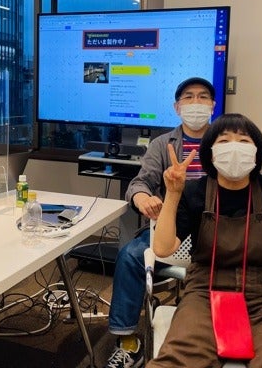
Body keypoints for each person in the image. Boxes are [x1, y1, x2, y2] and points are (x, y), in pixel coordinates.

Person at [148, 113, 262, 368]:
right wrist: (173, 194)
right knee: (180, 357)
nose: (234, 148)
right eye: (224, 141)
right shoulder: (195, 191)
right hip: (204, 292)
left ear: (256, 153)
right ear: (211, 153)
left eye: (244, 141)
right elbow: (162, 248)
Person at [104, 77, 216, 368]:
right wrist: (142, 198)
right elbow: (140, 182)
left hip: (217, 230)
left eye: (203, 97)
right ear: (177, 107)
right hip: (172, 228)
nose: (196, 103)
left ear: (213, 105)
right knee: (131, 256)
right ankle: (128, 342)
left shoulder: (224, 142)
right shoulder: (162, 144)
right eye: (188, 97)